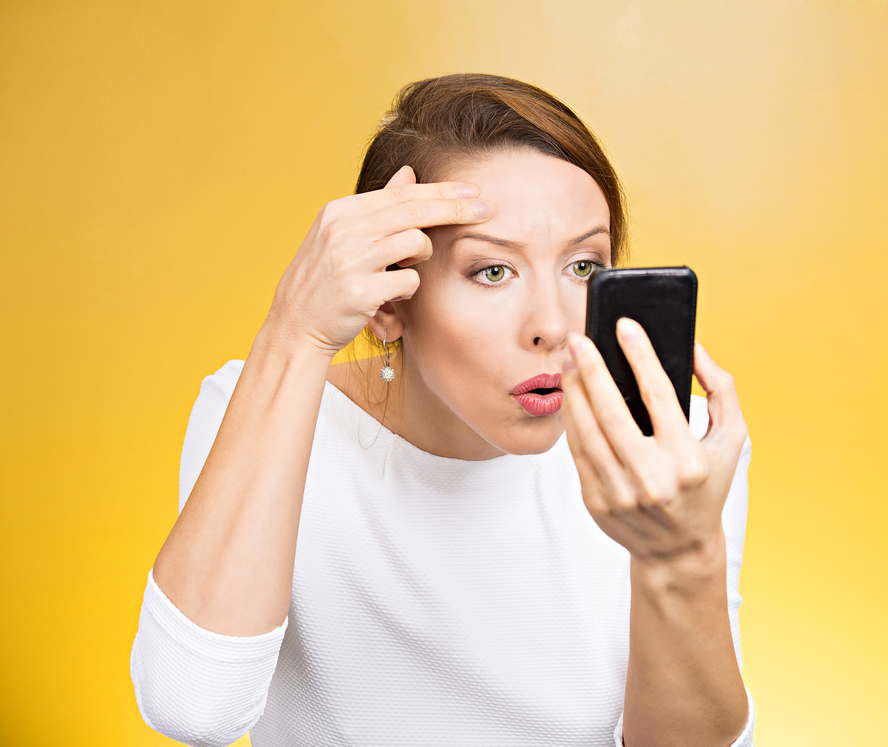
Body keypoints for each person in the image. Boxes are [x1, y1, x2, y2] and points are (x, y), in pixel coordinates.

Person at [129, 73, 754, 747]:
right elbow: (193, 707)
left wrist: (681, 558)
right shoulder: (269, 408)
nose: (553, 324)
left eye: (582, 266)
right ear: (390, 300)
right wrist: (294, 333)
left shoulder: (674, 452)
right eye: (492, 271)